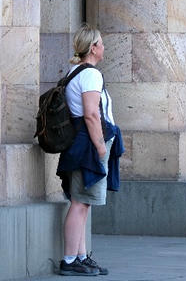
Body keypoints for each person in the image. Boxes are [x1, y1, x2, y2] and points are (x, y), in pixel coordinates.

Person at [55, 25, 123, 276]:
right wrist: (100, 148)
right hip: (88, 143)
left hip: (79, 142)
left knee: (83, 202)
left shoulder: (75, 71)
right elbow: (92, 114)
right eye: (101, 43)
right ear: (93, 48)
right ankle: (70, 260)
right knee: (80, 203)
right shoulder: (90, 75)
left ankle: (81, 257)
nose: (104, 47)